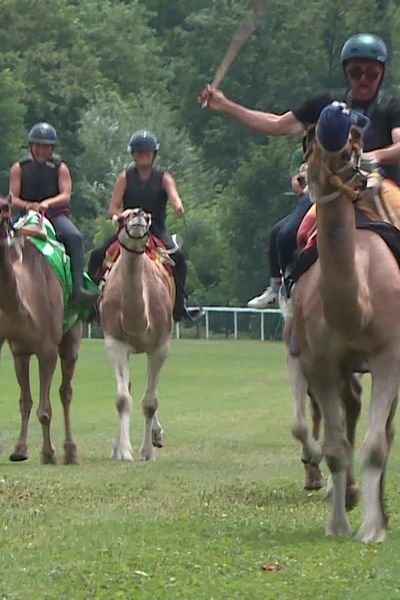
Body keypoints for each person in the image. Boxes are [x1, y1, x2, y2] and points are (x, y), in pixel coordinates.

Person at [199, 33, 400, 304]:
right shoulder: (326, 105)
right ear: (346, 73)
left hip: (379, 187)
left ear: (381, 74)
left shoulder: (391, 107)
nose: (363, 79)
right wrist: (225, 106)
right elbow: (277, 125)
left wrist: (371, 157)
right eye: (356, 72)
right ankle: (289, 296)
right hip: (336, 189)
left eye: (371, 73)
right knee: (288, 234)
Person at [88, 129, 204, 322]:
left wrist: (178, 205)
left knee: (179, 258)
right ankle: (92, 303)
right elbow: (113, 209)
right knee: (98, 253)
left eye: (147, 152)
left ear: (154, 154)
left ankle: (179, 306)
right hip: (129, 228)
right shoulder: (125, 178)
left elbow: (173, 194)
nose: (143, 156)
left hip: (155, 228)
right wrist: (122, 214)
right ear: (133, 154)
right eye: (139, 152)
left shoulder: (163, 177)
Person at [9, 122, 100, 309]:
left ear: (52, 148)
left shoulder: (60, 168)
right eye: (38, 145)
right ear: (31, 146)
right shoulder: (19, 168)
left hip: (52, 215)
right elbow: (13, 197)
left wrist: (46, 204)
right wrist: (28, 205)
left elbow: (66, 195)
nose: (41, 150)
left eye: (46, 146)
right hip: (25, 215)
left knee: (74, 237)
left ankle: (77, 289)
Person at [248, 146, 311, 308]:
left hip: (330, 196)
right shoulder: (301, 152)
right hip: (311, 197)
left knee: (286, 234)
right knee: (279, 233)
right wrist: (306, 177)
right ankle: (278, 285)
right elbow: (296, 186)